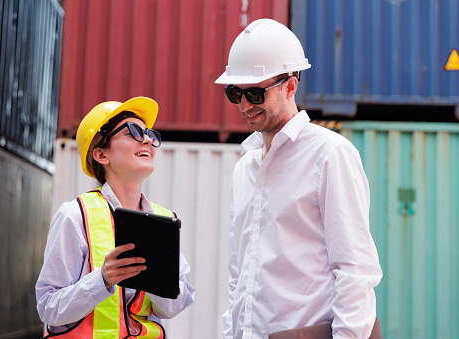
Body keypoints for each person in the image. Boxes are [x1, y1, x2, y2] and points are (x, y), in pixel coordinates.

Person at [215, 19, 382, 339]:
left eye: (254, 92)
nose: (245, 105)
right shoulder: (244, 167)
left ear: (290, 86)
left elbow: (355, 270)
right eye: (235, 93)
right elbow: (239, 275)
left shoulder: (330, 155)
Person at [35, 97, 195, 338]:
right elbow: (49, 308)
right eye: (134, 132)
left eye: (150, 133)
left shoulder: (164, 221)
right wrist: (102, 279)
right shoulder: (76, 215)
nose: (149, 140)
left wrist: (158, 278)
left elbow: (172, 308)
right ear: (101, 154)